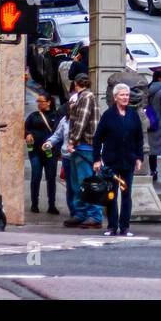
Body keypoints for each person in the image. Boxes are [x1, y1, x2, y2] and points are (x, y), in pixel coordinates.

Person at [93, 82, 145, 237]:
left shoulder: (133, 115)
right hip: (111, 162)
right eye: (122, 95)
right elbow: (97, 139)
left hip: (128, 161)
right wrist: (96, 159)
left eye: (127, 95)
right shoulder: (108, 115)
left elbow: (139, 139)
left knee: (126, 195)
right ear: (115, 97)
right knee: (111, 195)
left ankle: (125, 227)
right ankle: (111, 226)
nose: (125, 98)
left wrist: (139, 158)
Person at [63, 73, 102, 229]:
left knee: (87, 182)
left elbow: (81, 121)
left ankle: (93, 215)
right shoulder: (84, 97)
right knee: (77, 183)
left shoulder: (86, 97)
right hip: (82, 145)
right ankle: (81, 214)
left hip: (85, 145)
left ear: (75, 84)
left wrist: (72, 141)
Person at [24, 93, 60, 214]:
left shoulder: (56, 116)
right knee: (36, 176)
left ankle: (52, 205)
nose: (38, 103)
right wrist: (27, 134)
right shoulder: (33, 116)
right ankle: (34, 204)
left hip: (51, 152)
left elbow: (60, 133)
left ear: (49, 102)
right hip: (35, 152)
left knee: (51, 178)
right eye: (37, 101)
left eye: (41, 101)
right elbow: (25, 128)